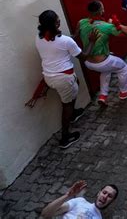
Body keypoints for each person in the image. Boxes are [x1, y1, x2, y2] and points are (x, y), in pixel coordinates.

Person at [35, 11, 98, 149]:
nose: (59, 21)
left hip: (49, 76)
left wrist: (74, 36)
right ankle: (65, 138)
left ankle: (74, 113)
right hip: (63, 78)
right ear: (56, 23)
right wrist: (92, 41)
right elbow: (84, 56)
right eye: (58, 19)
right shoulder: (65, 41)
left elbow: (60, 43)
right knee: (66, 105)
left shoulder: (39, 38)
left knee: (76, 84)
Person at [78, 0, 127, 107]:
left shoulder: (81, 22)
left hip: (88, 62)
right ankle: (124, 92)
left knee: (106, 70)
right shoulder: (106, 26)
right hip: (101, 61)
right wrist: (115, 24)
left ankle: (103, 95)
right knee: (122, 67)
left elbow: (77, 34)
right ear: (101, 11)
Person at [40, 180, 118, 218]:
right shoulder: (80, 201)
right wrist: (67, 195)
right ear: (98, 193)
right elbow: (45, 214)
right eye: (104, 192)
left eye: (109, 196)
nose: (105, 196)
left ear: (112, 201)